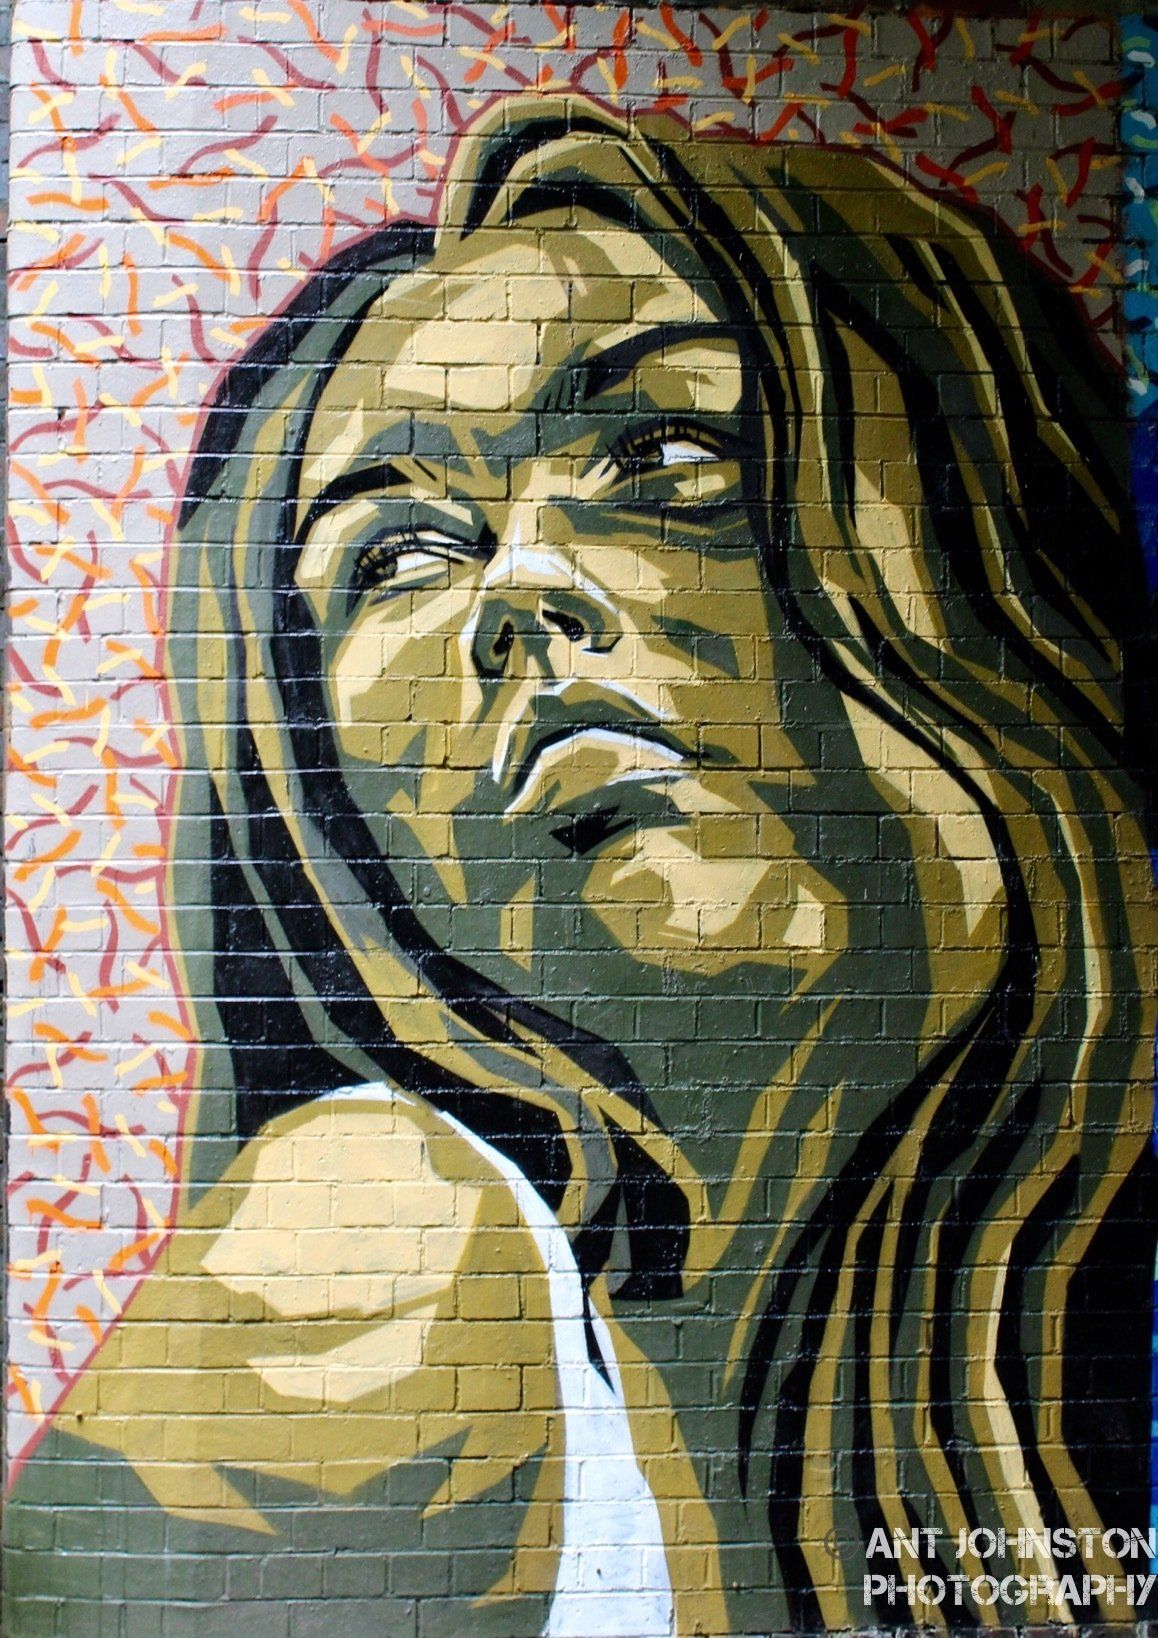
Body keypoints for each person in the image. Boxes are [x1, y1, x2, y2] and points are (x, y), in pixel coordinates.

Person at [6, 93, 1155, 1636]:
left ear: (973, 548)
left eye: (664, 450)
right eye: (397, 553)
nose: (521, 584)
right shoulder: (380, 1254)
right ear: (323, 796)